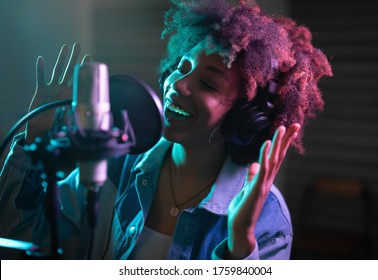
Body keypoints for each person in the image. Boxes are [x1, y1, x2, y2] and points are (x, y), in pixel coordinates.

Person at [0, 0, 332, 259]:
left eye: (207, 82)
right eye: (182, 67)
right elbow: (20, 231)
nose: (177, 85)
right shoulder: (118, 163)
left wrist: (240, 243)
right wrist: (32, 140)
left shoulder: (267, 215)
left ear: (244, 117)